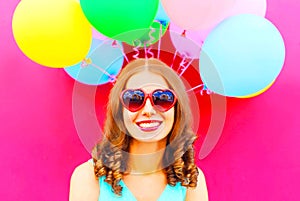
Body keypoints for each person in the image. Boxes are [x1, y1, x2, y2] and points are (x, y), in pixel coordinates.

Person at [69, 58, 208, 201]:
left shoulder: (190, 179)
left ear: (177, 109)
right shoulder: (88, 176)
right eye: (135, 99)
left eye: (162, 98)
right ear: (120, 112)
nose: (149, 110)